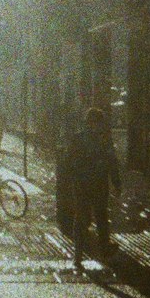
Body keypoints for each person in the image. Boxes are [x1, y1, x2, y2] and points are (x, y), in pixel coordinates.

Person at [66, 105, 121, 269]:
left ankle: (79, 253)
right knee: (100, 216)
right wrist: (116, 183)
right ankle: (102, 249)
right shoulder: (104, 140)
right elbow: (112, 162)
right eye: (98, 122)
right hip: (97, 184)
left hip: (84, 184)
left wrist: (74, 179)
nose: (98, 126)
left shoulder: (78, 139)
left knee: (84, 217)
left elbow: (70, 162)